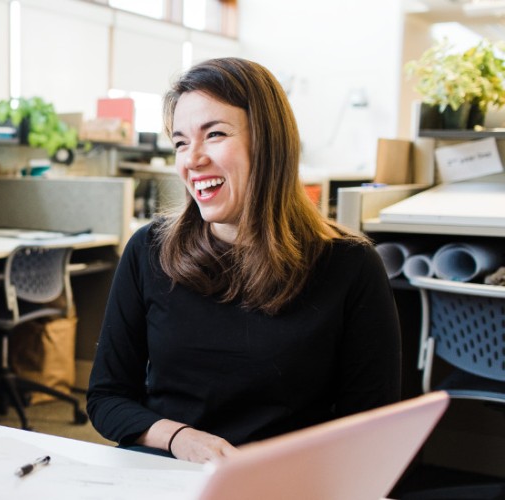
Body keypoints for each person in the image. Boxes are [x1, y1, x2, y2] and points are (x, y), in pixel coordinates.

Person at [86, 57, 401, 465]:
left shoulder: (350, 265)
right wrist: (178, 437)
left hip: (282, 485)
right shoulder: (149, 250)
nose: (192, 159)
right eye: (181, 142)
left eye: (214, 134)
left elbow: (370, 432)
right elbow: (107, 398)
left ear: (269, 143)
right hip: (165, 474)